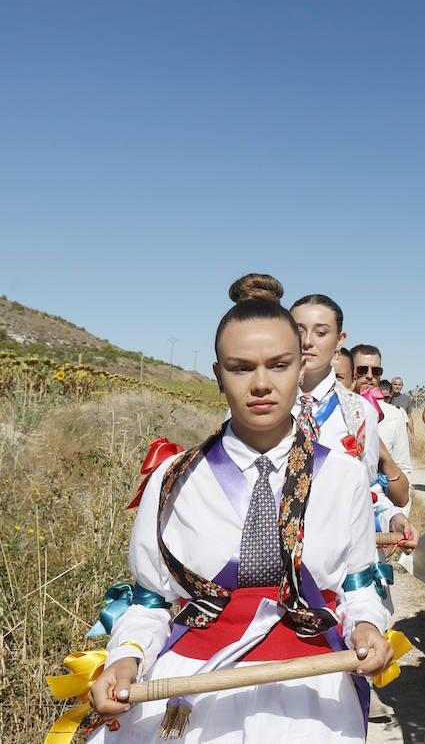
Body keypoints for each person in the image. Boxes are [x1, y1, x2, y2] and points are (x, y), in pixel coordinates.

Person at [86, 273, 393, 741]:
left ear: (300, 368)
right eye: (241, 367)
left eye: (279, 364)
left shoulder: (343, 476)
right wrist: (126, 656)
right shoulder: (172, 480)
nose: (262, 384)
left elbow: (356, 587)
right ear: (217, 374)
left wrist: (367, 628)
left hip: (310, 691)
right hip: (191, 690)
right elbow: (150, 601)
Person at [290, 295, 415, 545]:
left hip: (342, 557)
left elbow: (367, 488)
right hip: (272, 556)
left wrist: (390, 516)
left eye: (321, 332)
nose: (307, 342)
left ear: (339, 340)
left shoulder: (359, 412)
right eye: (298, 330)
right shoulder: (260, 401)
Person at [352, 344, 414, 492]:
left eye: (376, 370)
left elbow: (403, 467)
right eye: (362, 370)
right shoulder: (335, 409)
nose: (369, 375)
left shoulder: (395, 415)